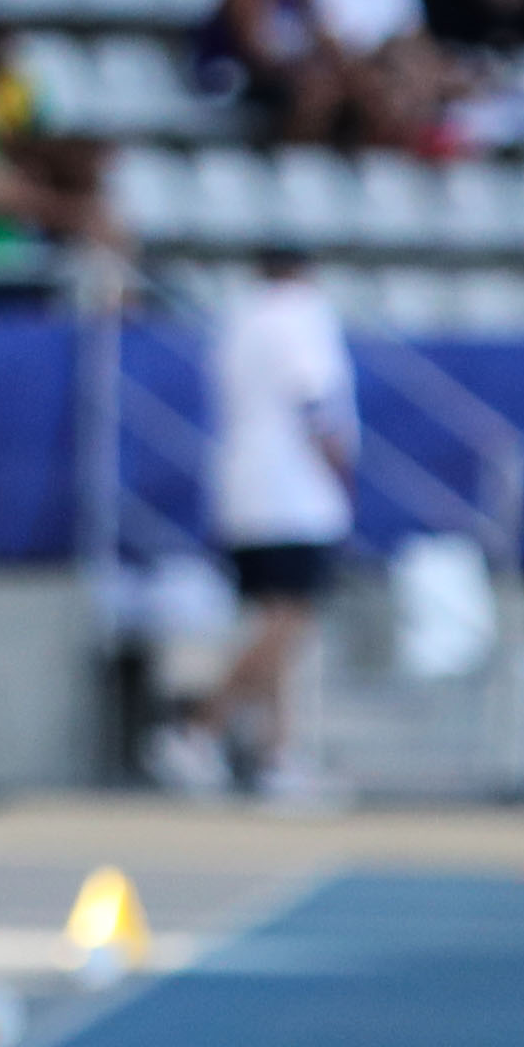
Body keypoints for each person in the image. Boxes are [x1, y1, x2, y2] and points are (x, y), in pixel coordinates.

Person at [169, 246, 353, 804]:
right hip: (293, 493)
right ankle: (198, 729)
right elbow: (314, 399)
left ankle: (277, 756)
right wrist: (338, 468)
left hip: (244, 489)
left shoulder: (238, 319)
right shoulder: (301, 315)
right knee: (288, 623)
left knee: (274, 622)